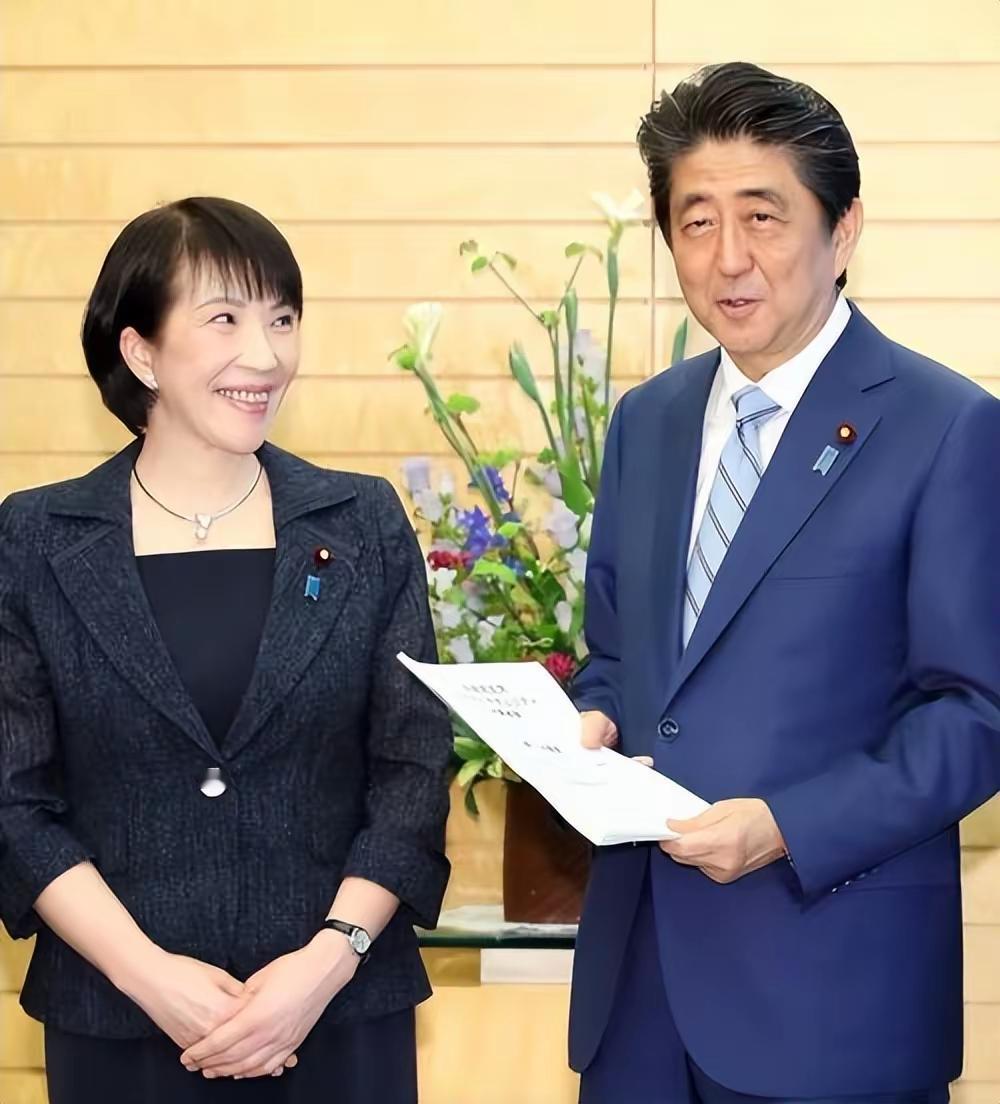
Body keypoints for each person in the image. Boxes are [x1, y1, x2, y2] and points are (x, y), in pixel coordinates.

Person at [570, 63, 1000, 1104]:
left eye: (762, 217)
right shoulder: (646, 421)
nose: (728, 257)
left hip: (830, 993)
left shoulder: (947, 426)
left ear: (842, 230)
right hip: (639, 996)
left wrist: (787, 826)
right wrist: (590, 719)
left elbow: (977, 714)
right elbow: (616, 654)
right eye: (696, 222)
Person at [0, 196, 452, 1103]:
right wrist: (149, 977)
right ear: (141, 353)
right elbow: (15, 800)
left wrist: (325, 964)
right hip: (120, 1022)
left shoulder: (360, 523)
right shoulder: (38, 539)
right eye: (225, 320)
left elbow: (413, 770)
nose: (266, 354)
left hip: (339, 1015)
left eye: (282, 319)